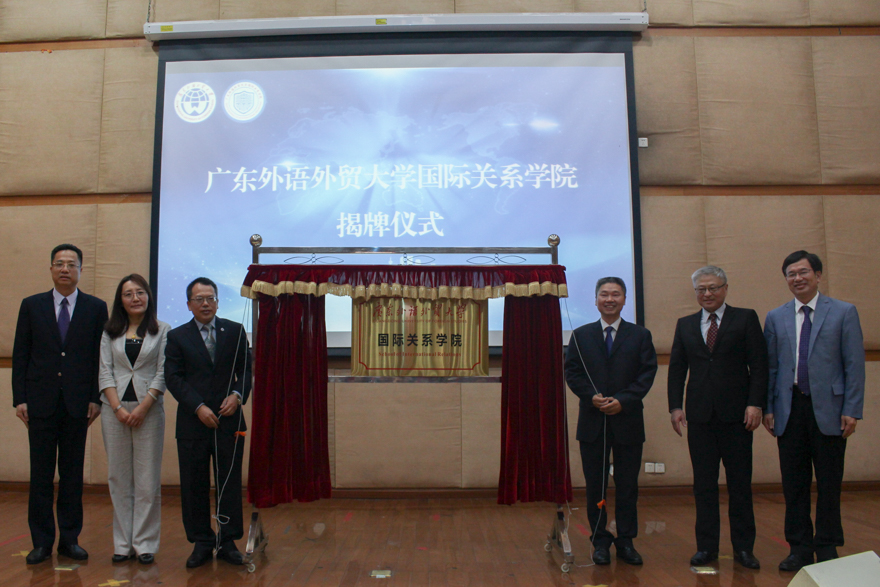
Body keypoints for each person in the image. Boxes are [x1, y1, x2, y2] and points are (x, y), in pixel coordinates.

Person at [763, 251, 865, 572]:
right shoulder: (776, 317)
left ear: (818, 275)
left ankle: (828, 545)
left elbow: (854, 365)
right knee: (794, 484)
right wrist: (768, 407)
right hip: (789, 408)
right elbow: (771, 367)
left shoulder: (844, 312)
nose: (797, 278)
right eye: (791, 274)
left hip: (831, 409)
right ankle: (799, 547)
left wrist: (852, 408)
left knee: (829, 482)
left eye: (803, 272)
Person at [12, 244, 109, 565]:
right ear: (51, 269)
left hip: (78, 405)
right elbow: (21, 355)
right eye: (59, 264)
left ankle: (69, 540)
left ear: (81, 270)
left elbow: (101, 358)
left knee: (71, 475)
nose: (65, 269)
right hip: (39, 404)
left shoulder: (96, 308)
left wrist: (96, 398)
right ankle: (41, 542)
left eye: (71, 264)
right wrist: (20, 398)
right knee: (40, 476)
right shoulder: (32, 306)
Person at [667, 266, 767, 569]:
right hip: (698, 416)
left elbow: (760, 365)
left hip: (738, 416)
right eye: (701, 289)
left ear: (725, 288)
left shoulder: (745, 318)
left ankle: (744, 548)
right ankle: (706, 547)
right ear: (695, 292)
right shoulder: (685, 324)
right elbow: (676, 369)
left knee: (740, 484)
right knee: (704, 485)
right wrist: (675, 407)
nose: (707, 294)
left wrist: (756, 404)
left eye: (713, 288)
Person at [564, 277, 657, 566]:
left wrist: (624, 400)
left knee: (628, 485)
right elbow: (573, 372)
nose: (609, 299)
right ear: (595, 300)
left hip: (628, 420)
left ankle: (626, 541)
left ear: (624, 300)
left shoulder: (640, 335)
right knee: (596, 485)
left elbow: (647, 373)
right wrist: (592, 397)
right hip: (593, 421)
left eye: (616, 294)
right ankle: (600, 540)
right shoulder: (580, 335)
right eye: (604, 294)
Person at [164, 277, 252, 568]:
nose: (205, 303)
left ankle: (228, 541)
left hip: (229, 421)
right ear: (189, 304)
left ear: (217, 301)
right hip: (193, 422)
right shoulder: (177, 337)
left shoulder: (235, 331)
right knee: (194, 485)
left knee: (228, 483)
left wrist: (237, 396)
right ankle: (201, 542)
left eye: (210, 298)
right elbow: (173, 378)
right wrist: (198, 407)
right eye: (199, 299)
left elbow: (246, 371)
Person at [99, 274, 170, 565]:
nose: (135, 298)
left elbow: (162, 372)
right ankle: (122, 543)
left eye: (140, 292)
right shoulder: (110, 331)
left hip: (148, 410)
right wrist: (118, 408)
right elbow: (105, 371)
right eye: (128, 294)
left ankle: (144, 544)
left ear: (149, 296)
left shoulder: (162, 329)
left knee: (147, 480)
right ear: (121, 300)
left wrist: (142, 408)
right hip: (113, 410)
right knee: (118, 477)